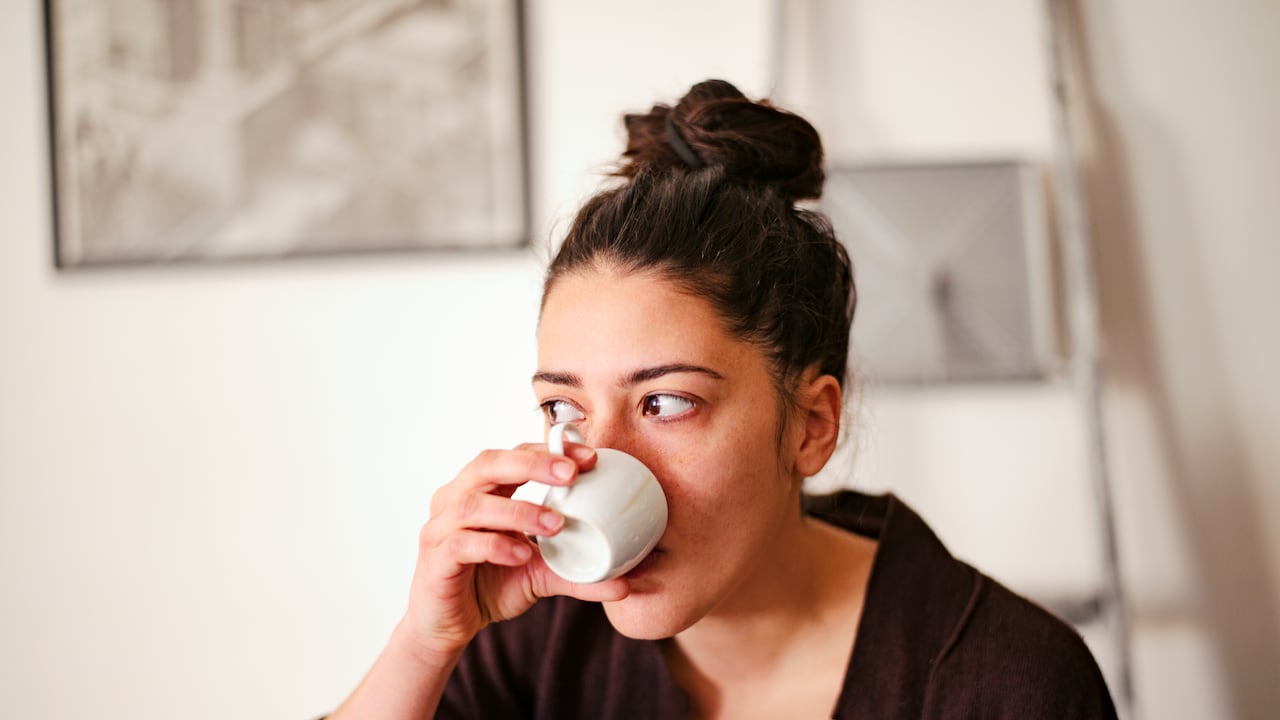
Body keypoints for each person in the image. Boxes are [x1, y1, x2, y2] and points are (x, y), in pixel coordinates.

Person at [330, 80, 1117, 719]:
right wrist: (423, 646)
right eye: (564, 410)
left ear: (811, 426)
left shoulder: (1005, 684)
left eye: (665, 404)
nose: (594, 467)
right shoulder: (535, 639)